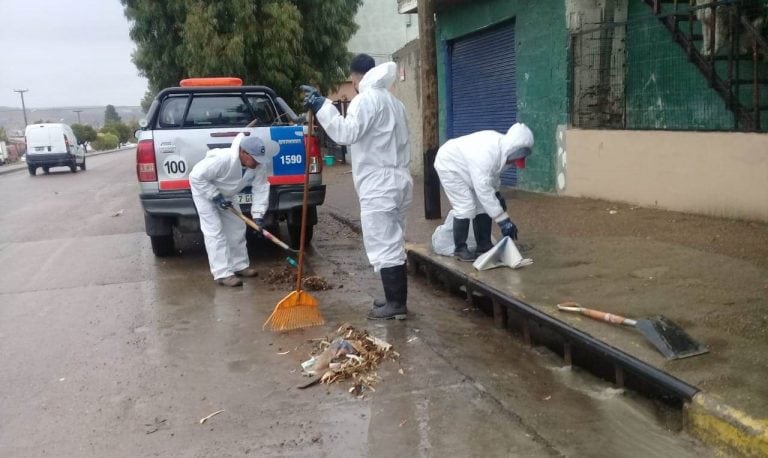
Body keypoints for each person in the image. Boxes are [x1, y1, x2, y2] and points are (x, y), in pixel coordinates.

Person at [301, 54, 413, 320]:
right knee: (394, 239)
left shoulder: (366, 100)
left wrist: (321, 105)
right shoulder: (395, 103)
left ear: (354, 77)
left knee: (383, 241)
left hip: (379, 182)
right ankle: (393, 298)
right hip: (400, 179)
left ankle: (396, 305)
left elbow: (344, 133)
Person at [434, 123, 534, 262]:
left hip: (469, 167)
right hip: (450, 164)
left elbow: (492, 177)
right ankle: (460, 248)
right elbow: (484, 189)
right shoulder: (487, 153)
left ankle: (484, 244)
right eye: (515, 158)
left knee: (483, 206)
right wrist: (503, 220)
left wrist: (497, 194)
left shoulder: (506, 152)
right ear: (512, 149)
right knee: (465, 206)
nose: (514, 163)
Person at [189, 134, 270, 287]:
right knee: (215, 231)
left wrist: (258, 217)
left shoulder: (258, 165)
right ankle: (222, 273)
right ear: (243, 152)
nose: (258, 162)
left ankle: (239, 266)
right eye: (254, 158)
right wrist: (214, 195)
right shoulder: (223, 159)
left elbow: (261, 188)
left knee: (237, 227)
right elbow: (196, 176)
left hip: (227, 194)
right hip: (205, 192)